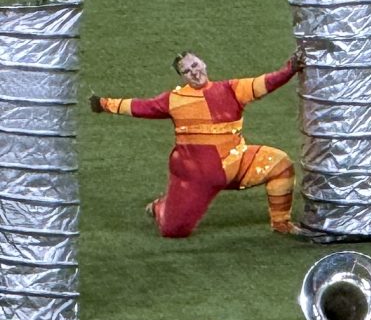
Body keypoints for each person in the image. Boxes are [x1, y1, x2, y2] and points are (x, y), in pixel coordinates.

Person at [92, 51, 301, 239]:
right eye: (186, 71)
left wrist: (290, 69)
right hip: (195, 180)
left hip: (237, 164)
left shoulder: (232, 89)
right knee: (173, 232)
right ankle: (160, 208)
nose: (193, 72)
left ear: (203, 63)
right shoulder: (174, 99)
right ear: (182, 77)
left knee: (281, 166)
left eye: (194, 65)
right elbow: (139, 107)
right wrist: (103, 104)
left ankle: (281, 223)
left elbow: (265, 83)